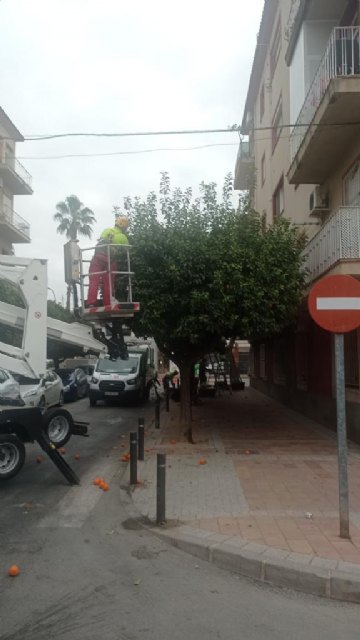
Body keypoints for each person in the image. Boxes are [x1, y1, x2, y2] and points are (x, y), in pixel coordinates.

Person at [86, 216, 129, 307]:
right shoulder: (122, 237)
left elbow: (101, 241)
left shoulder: (106, 230)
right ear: (124, 227)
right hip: (110, 260)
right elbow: (127, 251)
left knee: (94, 280)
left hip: (97, 258)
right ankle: (107, 303)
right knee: (108, 283)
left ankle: (91, 302)